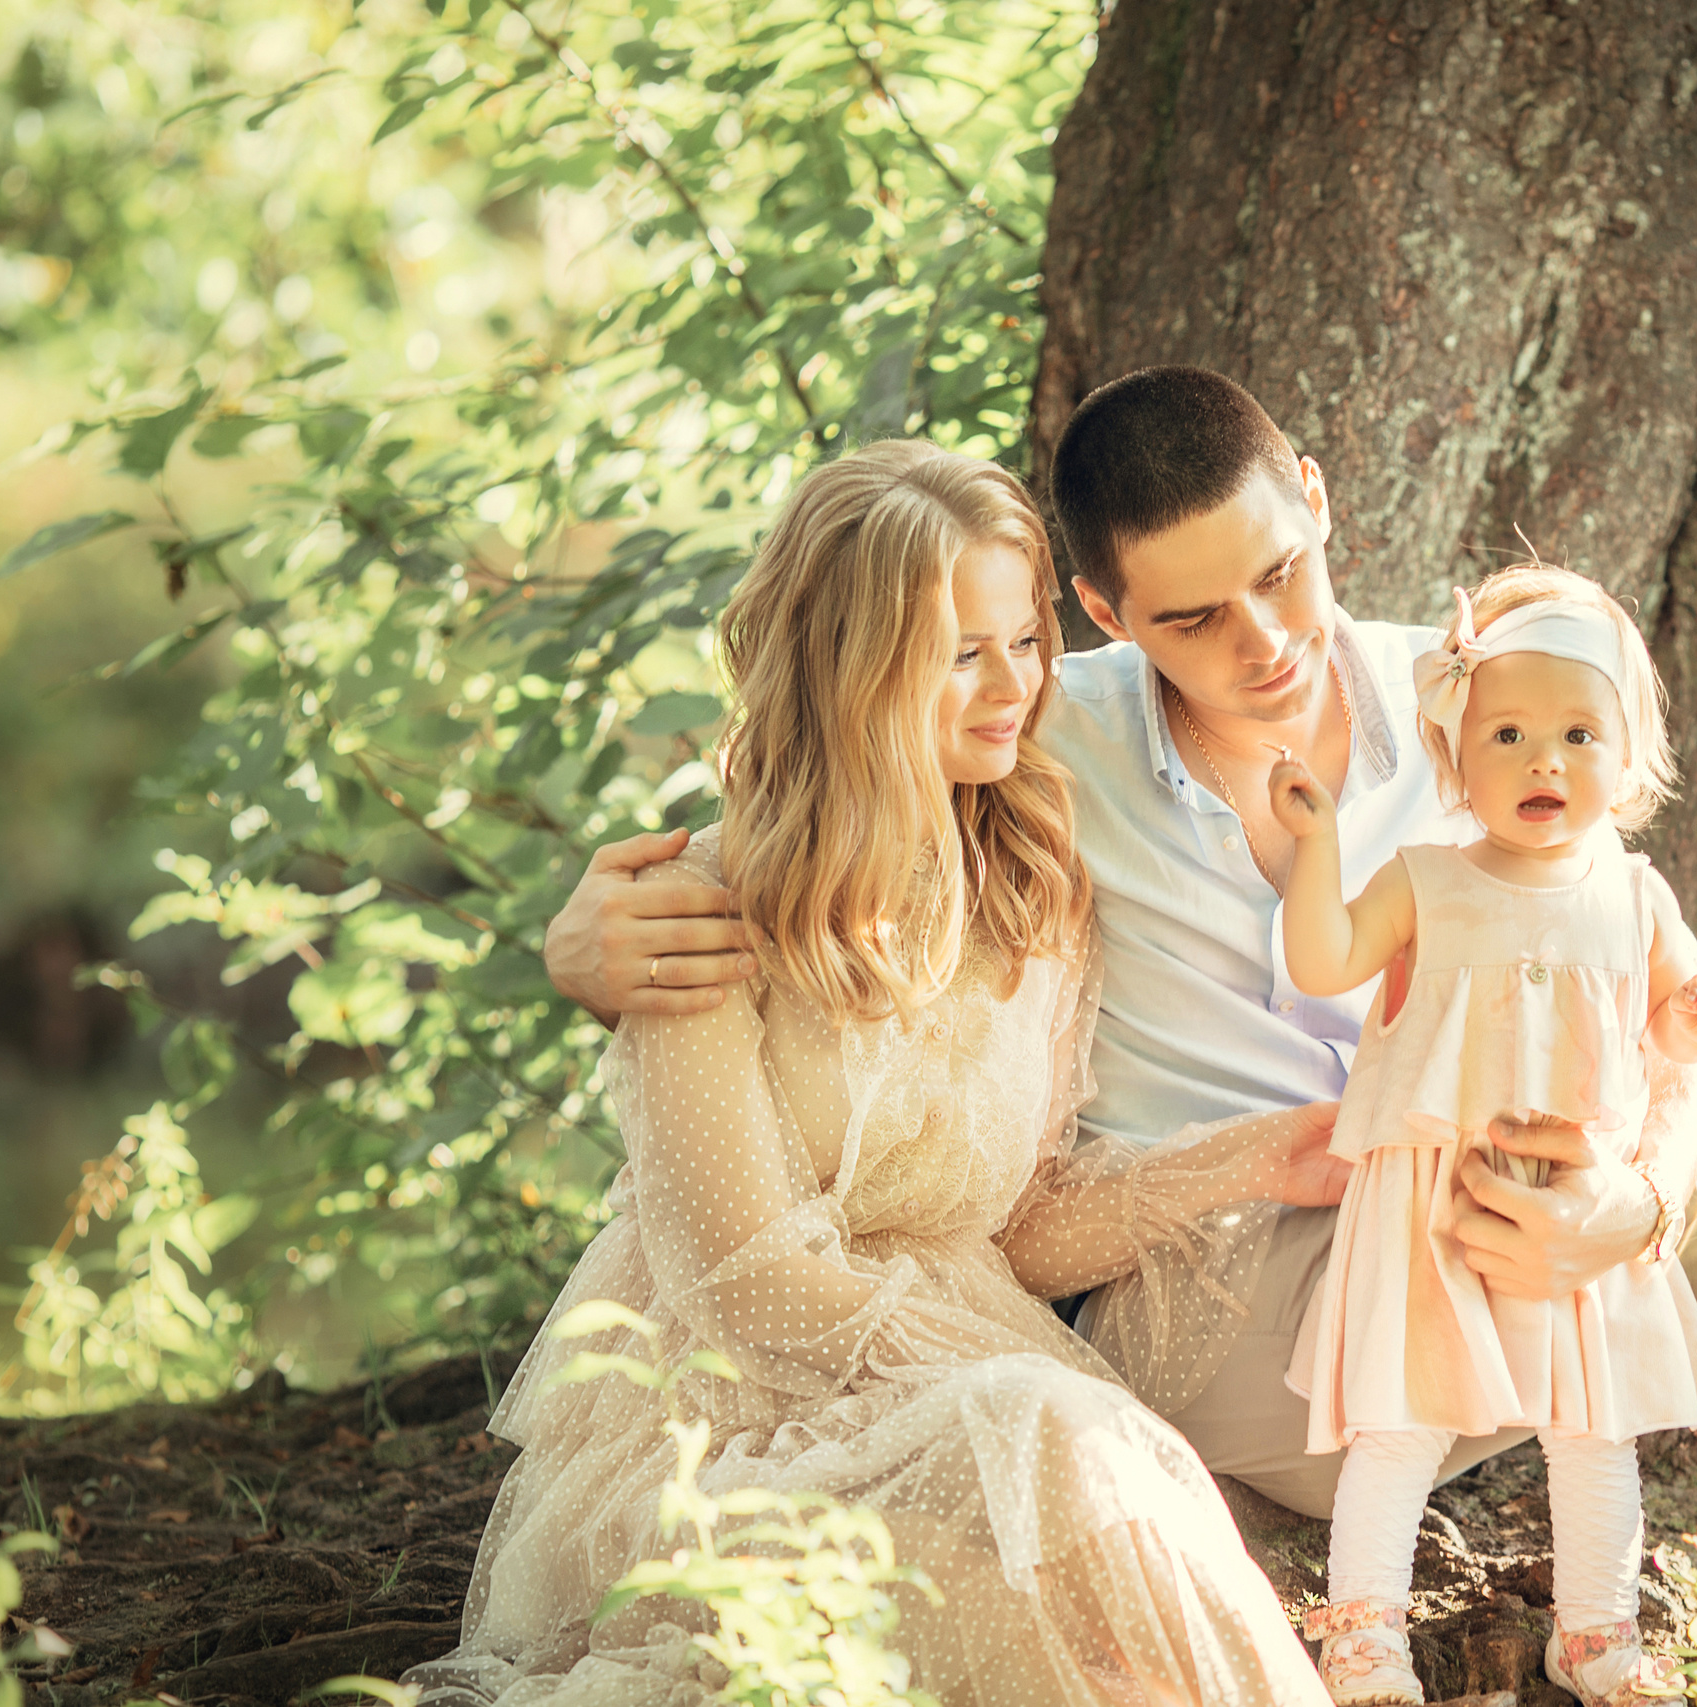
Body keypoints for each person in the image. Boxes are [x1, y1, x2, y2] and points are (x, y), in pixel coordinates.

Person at [546, 368, 1697, 1707]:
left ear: (1315, 496)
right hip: (1280, 1274)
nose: (1266, 642)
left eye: (1284, 575)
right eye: (1192, 619)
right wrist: (590, 935)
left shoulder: (1462, 700)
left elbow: (1624, 961)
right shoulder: (1037, 741)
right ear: (1103, 617)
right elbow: (832, 771)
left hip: (1509, 1186)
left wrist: (1635, 1190)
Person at [411, 439, 1341, 1706]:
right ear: (850, 667)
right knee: (1052, 1496)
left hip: (965, 1389)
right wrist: (1003, 1387)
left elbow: (1019, 1227)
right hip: (729, 1427)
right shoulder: (704, 910)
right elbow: (740, 1277)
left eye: (1023, 642)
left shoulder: (1033, 886)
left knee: (1108, 1618)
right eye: (960, 655)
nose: (1010, 687)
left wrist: (1264, 1152)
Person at [1270, 567, 1697, 1707]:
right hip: (1433, 1196)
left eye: (1579, 734)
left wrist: (1684, 1018)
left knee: (1593, 1434)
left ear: (1627, 761)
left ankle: (1595, 1635)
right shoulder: (1426, 881)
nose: (1544, 761)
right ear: (1456, 757)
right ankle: (1366, 1634)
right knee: (1401, 1423)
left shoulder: (1634, 898)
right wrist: (1320, 845)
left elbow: (1673, 1038)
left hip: (1578, 1193)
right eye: (1511, 733)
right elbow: (1323, 958)